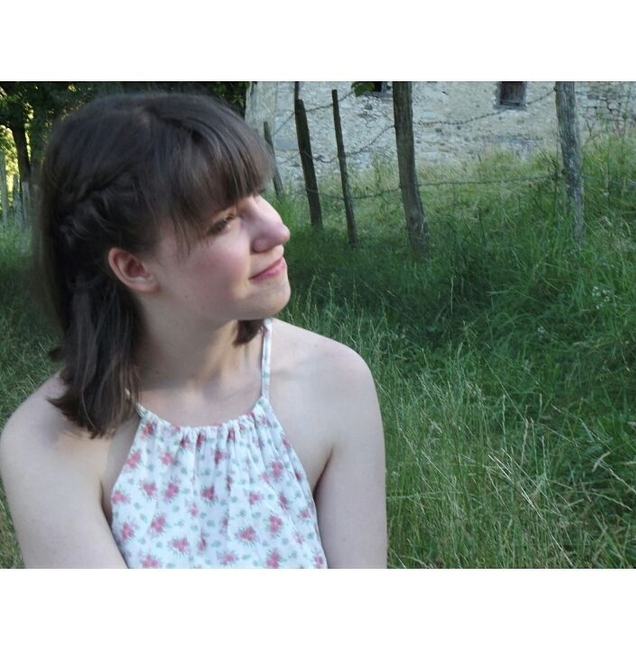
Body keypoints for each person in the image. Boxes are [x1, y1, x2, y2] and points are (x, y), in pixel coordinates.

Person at [0, 92, 386, 568]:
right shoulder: (47, 441)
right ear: (135, 267)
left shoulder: (334, 381)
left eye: (258, 194)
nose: (277, 230)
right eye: (224, 222)